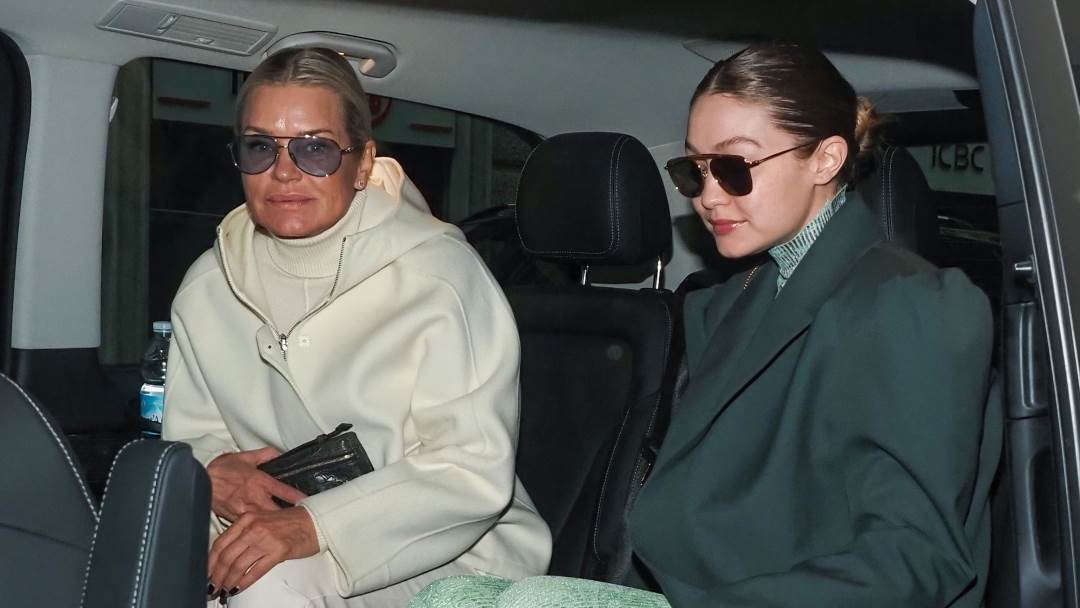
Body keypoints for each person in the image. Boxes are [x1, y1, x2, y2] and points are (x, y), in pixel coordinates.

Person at [409, 41, 1001, 608]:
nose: (708, 197)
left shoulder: (913, 303)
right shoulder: (734, 300)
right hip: (689, 590)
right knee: (448, 598)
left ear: (825, 158)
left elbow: (915, 560)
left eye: (734, 168)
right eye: (695, 171)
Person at [161, 47, 551, 608]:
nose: (285, 171)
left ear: (363, 161)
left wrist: (317, 527)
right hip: (262, 533)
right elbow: (193, 438)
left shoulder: (440, 277)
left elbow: (470, 468)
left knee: (266, 582)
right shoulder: (209, 285)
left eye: (315, 148)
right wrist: (209, 472)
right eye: (260, 147)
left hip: (452, 550)